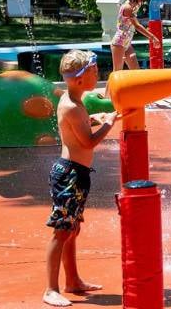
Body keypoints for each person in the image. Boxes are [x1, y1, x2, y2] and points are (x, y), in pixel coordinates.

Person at [43, 50, 118, 307]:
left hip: (77, 174)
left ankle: (72, 280)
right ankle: (50, 289)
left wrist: (93, 119)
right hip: (69, 175)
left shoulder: (74, 100)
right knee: (61, 232)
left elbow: (79, 129)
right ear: (77, 80)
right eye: (93, 71)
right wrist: (108, 124)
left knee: (72, 230)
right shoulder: (72, 106)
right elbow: (87, 142)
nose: (97, 74)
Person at [110, 0, 160, 73]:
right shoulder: (127, 7)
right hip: (119, 42)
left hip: (126, 43)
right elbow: (137, 26)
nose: (143, 0)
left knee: (136, 71)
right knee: (117, 72)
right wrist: (152, 37)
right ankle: (110, 87)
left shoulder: (132, 6)